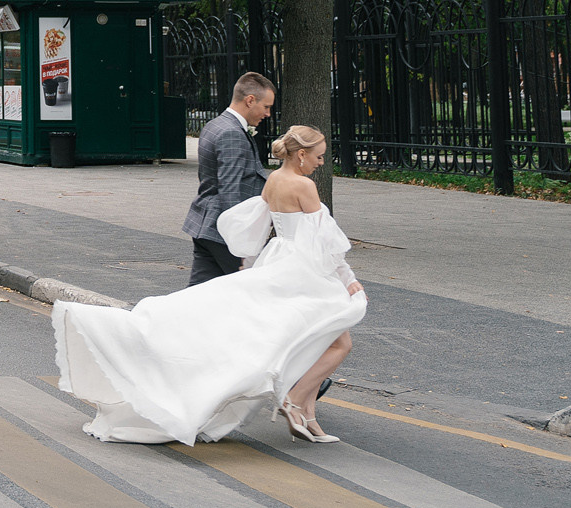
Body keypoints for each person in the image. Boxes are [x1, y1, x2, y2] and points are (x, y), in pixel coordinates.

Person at [50, 124, 365, 445]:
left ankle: (305, 411)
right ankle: (294, 400)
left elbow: (257, 226)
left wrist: (250, 268)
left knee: (305, 338)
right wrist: (349, 280)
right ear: (301, 155)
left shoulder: (273, 180)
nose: (321, 162)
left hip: (279, 261)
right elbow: (326, 241)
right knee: (338, 342)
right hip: (304, 270)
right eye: (319, 156)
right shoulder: (304, 186)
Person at [181, 71, 273, 285]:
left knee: (198, 295)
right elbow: (230, 191)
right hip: (223, 232)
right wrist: (239, 239)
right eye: (266, 107)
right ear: (250, 100)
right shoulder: (231, 132)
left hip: (206, 226)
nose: (267, 113)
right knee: (250, 290)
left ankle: (169, 319)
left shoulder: (215, 125)